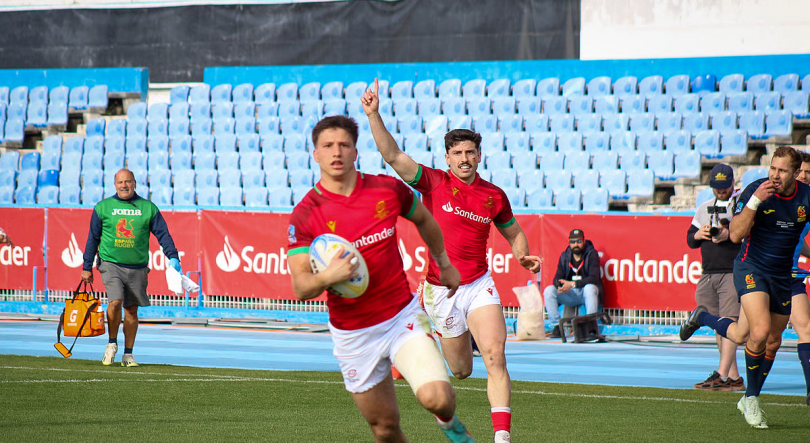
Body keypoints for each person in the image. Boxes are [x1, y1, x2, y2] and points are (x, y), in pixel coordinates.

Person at [362, 79, 541, 443]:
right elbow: (393, 157)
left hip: (478, 285)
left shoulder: (494, 196)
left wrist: (522, 253)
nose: (464, 159)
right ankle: (424, 339)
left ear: (479, 155)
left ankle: (502, 439)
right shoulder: (433, 182)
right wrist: (374, 115)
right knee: (461, 370)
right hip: (440, 291)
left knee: (495, 354)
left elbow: (514, 233)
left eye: (470, 152)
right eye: (457, 153)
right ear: (447, 158)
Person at [286, 115, 475, 443]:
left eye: (344, 145)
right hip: (353, 334)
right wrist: (328, 276)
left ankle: (450, 424)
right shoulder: (306, 213)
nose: (337, 152)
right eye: (327, 146)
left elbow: (425, 219)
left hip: (401, 317)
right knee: (385, 429)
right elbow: (301, 285)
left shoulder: (386, 189)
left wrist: (444, 263)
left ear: (355, 151)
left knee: (438, 398)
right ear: (315, 154)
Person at [680, 146, 810, 428]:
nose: (774, 175)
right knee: (760, 331)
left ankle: (702, 317)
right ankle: (751, 399)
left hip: (782, 275)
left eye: (782, 170)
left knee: (753, 337)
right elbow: (737, 234)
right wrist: (754, 202)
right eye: (772, 168)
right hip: (751, 268)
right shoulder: (756, 189)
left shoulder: (805, 196)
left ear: (796, 173)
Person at [81, 168, 181, 367]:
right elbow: (92, 238)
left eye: (128, 182)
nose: (124, 185)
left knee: (132, 309)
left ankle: (128, 354)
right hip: (111, 264)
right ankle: (111, 344)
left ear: (135, 183)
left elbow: (164, 235)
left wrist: (173, 257)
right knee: (116, 301)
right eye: (120, 182)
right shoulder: (103, 207)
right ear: (114, 185)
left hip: (137, 267)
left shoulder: (148, 208)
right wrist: (87, 266)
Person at [685, 164, 744, 391]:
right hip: (708, 273)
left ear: (732, 183)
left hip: (731, 271)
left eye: (724, 187)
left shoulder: (739, 206)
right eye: (717, 187)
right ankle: (733, 377)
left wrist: (726, 234)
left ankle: (721, 374)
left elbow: (745, 234)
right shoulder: (704, 208)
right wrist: (699, 234)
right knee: (719, 326)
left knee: (729, 321)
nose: (721, 191)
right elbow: (690, 240)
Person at [543, 229, 603, 338]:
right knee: (549, 291)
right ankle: (556, 327)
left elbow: (594, 278)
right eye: (573, 242)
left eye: (579, 241)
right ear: (569, 242)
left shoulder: (592, 254)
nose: (576, 245)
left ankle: (591, 326)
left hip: (584, 294)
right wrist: (560, 285)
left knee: (590, 288)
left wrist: (572, 284)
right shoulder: (565, 256)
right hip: (570, 294)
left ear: (584, 241)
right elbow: (557, 277)